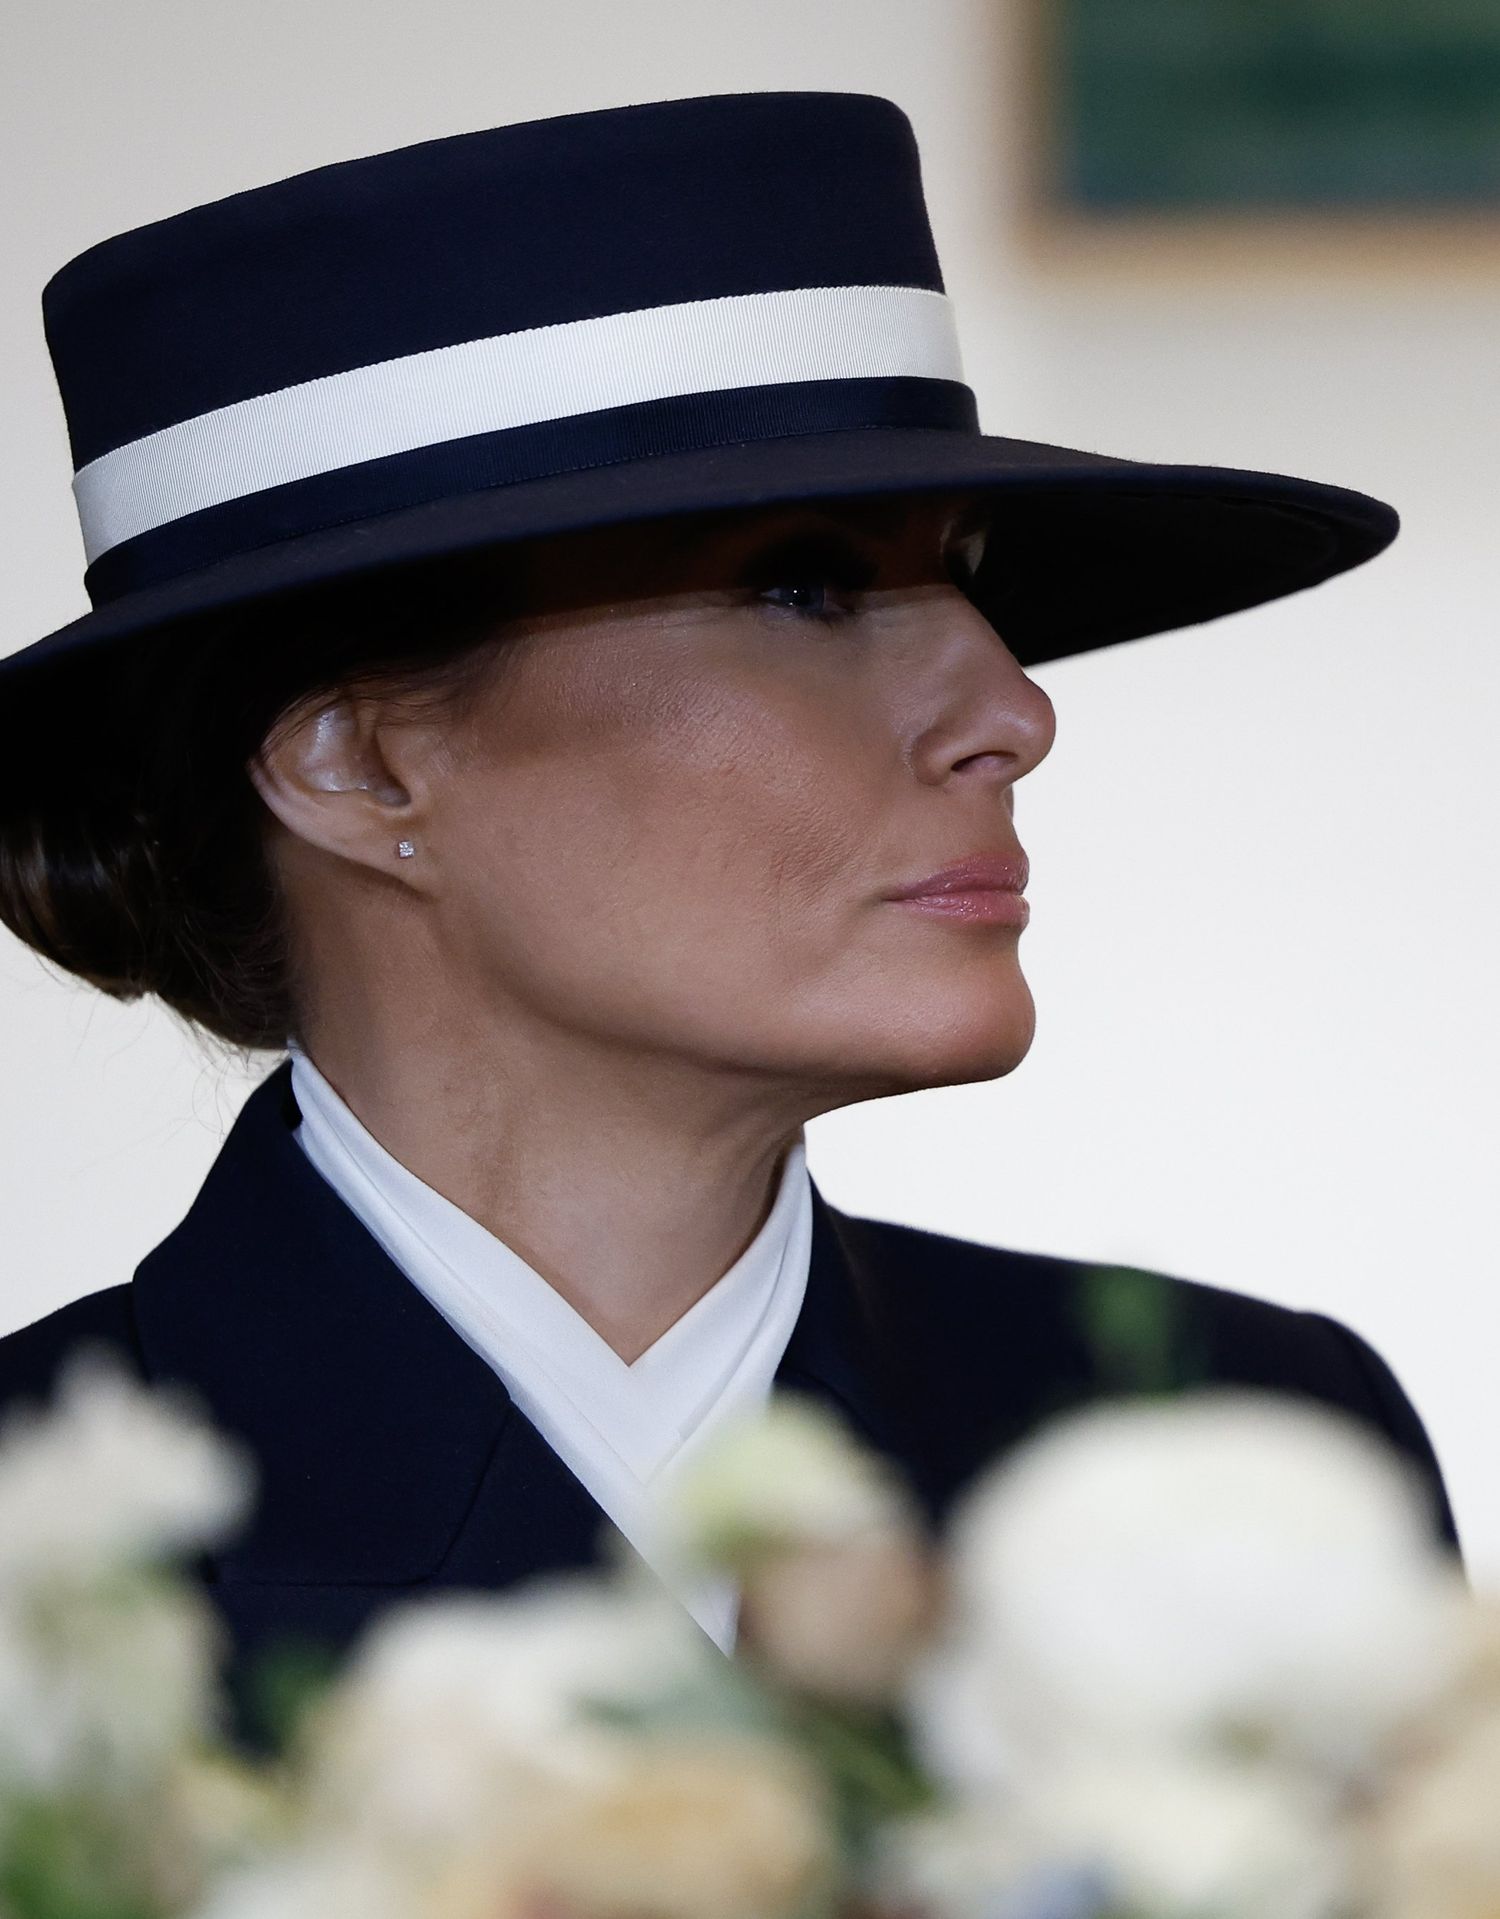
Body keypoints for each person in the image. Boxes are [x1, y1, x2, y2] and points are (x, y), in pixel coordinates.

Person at [0, 90, 1459, 1738]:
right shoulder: (36, 1578)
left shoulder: (1240, 1462)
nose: (1013, 710)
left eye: (968, 572)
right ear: (359, 762)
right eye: (804, 584)